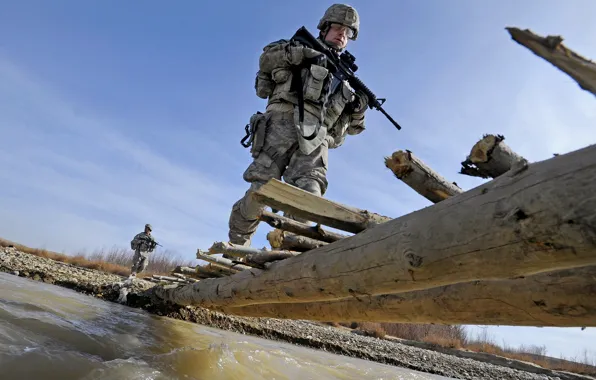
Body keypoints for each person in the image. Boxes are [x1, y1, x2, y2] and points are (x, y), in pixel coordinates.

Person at [228, 4, 369, 247]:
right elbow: (265, 60)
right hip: (280, 127)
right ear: (324, 28)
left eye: (347, 32)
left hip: (315, 140)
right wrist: (299, 55)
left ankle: (289, 250)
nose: (341, 35)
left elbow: (353, 129)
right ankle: (237, 246)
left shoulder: (347, 79)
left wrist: (358, 110)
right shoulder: (296, 47)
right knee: (261, 192)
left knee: (308, 198)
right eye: (337, 28)